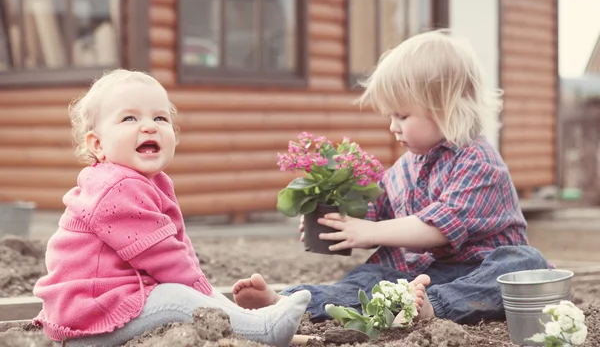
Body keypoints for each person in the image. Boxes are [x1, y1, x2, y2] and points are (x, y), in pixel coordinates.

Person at [232, 29, 550, 324]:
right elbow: (376, 211)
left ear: (445, 108)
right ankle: (290, 302)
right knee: (366, 279)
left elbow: (438, 228)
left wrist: (369, 232)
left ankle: (432, 306)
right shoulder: (405, 167)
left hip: (477, 270)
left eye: (402, 115)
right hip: (420, 273)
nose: (392, 126)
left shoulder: (478, 160)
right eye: (390, 116)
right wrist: (337, 223)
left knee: (524, 264)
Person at [33, 69, 310, 347]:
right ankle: (261, 329)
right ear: (98, 145)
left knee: (179, 294)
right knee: (174, 298)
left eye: (160, 118)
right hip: (91, 317)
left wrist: (215, 301)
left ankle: (249, 324)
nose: (149, 126)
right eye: (130, 118)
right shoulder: (116, 186)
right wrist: (210, 299)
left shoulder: (152, 183)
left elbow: (179, 247)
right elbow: (166, 260)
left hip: (108, 305)